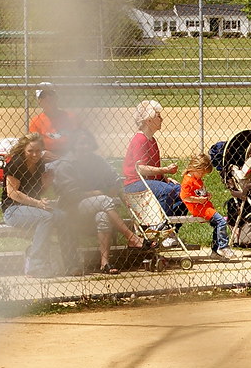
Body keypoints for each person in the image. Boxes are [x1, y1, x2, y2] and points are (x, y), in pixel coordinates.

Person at [52, 130, 148, 274]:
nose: (85, 146)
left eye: (88, 143)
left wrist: (117, 190)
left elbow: (114, 179)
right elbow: (70, 195)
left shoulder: (96, 161)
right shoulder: (66, 164)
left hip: (94, 206)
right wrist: (94, 193)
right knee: (103, 200)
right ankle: (131, 237)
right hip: (71, 208)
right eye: (81, 143)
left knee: (103, 216)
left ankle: (105, 263)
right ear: (73, 145)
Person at [122, 100, 188, 246]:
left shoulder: (151, 139)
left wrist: (165, 177)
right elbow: (141, 169)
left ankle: (171, 231)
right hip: (134, 183)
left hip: (148, 182)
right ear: (149, 119)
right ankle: (159, 231)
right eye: (158, 115)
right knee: (167, 191)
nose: (161, 119)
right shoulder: (140, 139)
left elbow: (152, 169)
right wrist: (165, 170)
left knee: (186, 193)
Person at [2, 132, 65, 278]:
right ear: (24, 150)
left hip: (33, 209)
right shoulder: (16, 163)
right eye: (30, 151)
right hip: (13, 210)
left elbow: (36, 190)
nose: (35, 155)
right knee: (46, 218)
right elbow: (13, 194)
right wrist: (38, 203)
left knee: (63, 216)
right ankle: (35, 265)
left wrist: (47, 183)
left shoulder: (40, 164)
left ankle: (67, 260)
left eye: (38, 151)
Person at [180, 153, 236, 260]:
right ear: (194, 168)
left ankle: (215, 251)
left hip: (205, 207)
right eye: (201, 172)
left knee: (217, 224)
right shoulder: (188, 180)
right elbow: (184, 197)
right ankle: (223, 247)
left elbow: (198, 192)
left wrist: (206, 195)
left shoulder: (197, 179)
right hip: (200, 209)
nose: (202, 175)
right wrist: (198, 200)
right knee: (222, 222)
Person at [29, 83, 80, 163]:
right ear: (39, 102)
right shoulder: (36, 121)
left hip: (70, 156)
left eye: (50, 94)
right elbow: (33, 146)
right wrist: (42, 153)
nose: (48, 98)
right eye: (43, 96)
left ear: (56, 98)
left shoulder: (70, 117)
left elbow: (80, 139)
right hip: (48, 160)